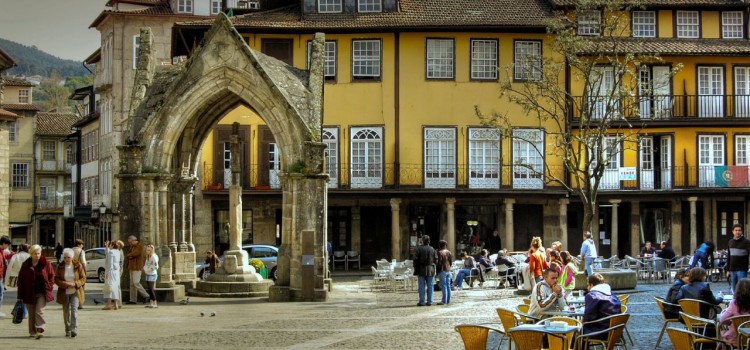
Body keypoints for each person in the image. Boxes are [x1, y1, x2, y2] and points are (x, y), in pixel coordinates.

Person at [17, 244, 55, 339]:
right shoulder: (26, 264)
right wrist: (20, 296)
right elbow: (20, 280)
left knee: (39, 311)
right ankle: (32, 331)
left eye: (38, 253)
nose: (37, 255)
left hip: (42, 292)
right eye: (35, 253)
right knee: (32, 313)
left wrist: (49, 287)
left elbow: (51, 276)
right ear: (31, 254)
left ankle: (40, 329)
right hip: (29, 292)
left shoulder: (46, 263)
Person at [54, 248, 86, 338]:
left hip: (75, 291)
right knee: (66, 312)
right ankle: (67, 329)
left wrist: (75, 283)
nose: (66, 259)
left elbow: (83, 278)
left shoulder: (77, 265)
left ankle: (74, 329)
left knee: (74, 311)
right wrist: (65, 284)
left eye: (68, 257)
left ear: (72, 257)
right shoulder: (60, 266)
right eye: (64, 257)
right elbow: (56, 279)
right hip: (64, 292)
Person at [582, 273, 622, 339]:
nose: (587, 287)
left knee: (576, 331)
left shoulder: (592, 295)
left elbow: (589, 317)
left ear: (591, 285)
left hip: (602, 331)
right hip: (615, 330)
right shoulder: (611, 294)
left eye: (587, 285)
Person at [719, 278, 750, 344]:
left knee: (722, 333)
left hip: (737, 337)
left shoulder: (734, 303)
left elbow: (722, 320)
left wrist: (732, 321)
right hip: (747, 338)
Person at [413, 234, 437, 306]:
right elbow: (436, 260)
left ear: (423, 241)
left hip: (421, 269)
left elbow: (415, 260)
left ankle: (422, 301)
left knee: (421, 286)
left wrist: (416, 268)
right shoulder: (432, 249)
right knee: (430, 286)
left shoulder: (419, 249)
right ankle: (430, 301)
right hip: (430, 269)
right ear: (429, 241)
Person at [126, 235, 149, 305]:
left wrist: (130, 255)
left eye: (130, 242)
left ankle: (146, 295)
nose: (129, 243)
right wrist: (129, 255)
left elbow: (135, 254)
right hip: (131, 267)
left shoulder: (139, 246)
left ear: (133, 240)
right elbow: (128, 254)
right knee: (132, 284)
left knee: (136, 282)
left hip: (137, 267)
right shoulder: (132, 246)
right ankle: (133, 299)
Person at [727, 223, 750, 293]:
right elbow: (729, 256)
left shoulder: (746, 242)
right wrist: (728, 270)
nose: (737, 232)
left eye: (739, 230)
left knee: (743, 289)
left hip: (742, 269)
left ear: (742, 231)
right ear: (733, 231)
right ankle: (734, 302)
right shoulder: (730, 242)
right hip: (732, 269)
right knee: (734, 289)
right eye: (736, 230)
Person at [103, 240, 124, 310]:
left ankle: (109, 304)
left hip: (111, 271)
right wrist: (106, 246)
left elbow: (110, 263)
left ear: (112, 245)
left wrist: (108, 273)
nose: (109, 246)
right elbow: (107, 253)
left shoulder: (111, 252)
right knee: (116, 287)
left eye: (110, 245)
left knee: (110, 287)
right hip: (116, 271)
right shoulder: (117, 251)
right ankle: (116, 304)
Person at [71, 239, 87, 309]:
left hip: (71, 270)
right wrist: (85, 270)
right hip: (79, 271)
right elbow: (83, 262)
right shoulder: (81, 251)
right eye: (81, 244)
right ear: (78, 245)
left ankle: (72, 303)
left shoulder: (70, 251)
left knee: (72, 286)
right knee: (80, 287)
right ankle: (80, 303)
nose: (82, 246)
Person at [436, 240, 453, 306]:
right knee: (448, 285)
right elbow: (451, 261)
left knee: (443, 286)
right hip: (448, 270)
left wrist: (437, 271)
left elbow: (439, 263)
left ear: (440, 245)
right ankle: (448, 300)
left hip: (442, 270)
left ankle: (444, 300)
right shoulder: (449, 252)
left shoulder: (440, 252)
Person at [143, 244, 159, 308]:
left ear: (152, 250)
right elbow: (146, 264)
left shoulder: (154, 256)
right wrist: (145, 269)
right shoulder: (148, 257)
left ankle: (155, 302)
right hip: (148, 274)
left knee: (151, 289)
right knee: (149, 289)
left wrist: (150, 269)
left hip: (152, 274)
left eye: (149, 250)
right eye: (147, 250)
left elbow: (156, 266)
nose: (147, 251)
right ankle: (151, 303)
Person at [0, 235, 10, 317]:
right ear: (3, 243)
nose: (7, 247)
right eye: (7, 245)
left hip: (1, 277)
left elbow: (5, 257)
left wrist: (13, 255)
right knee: (0, 294)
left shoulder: (2, 251)